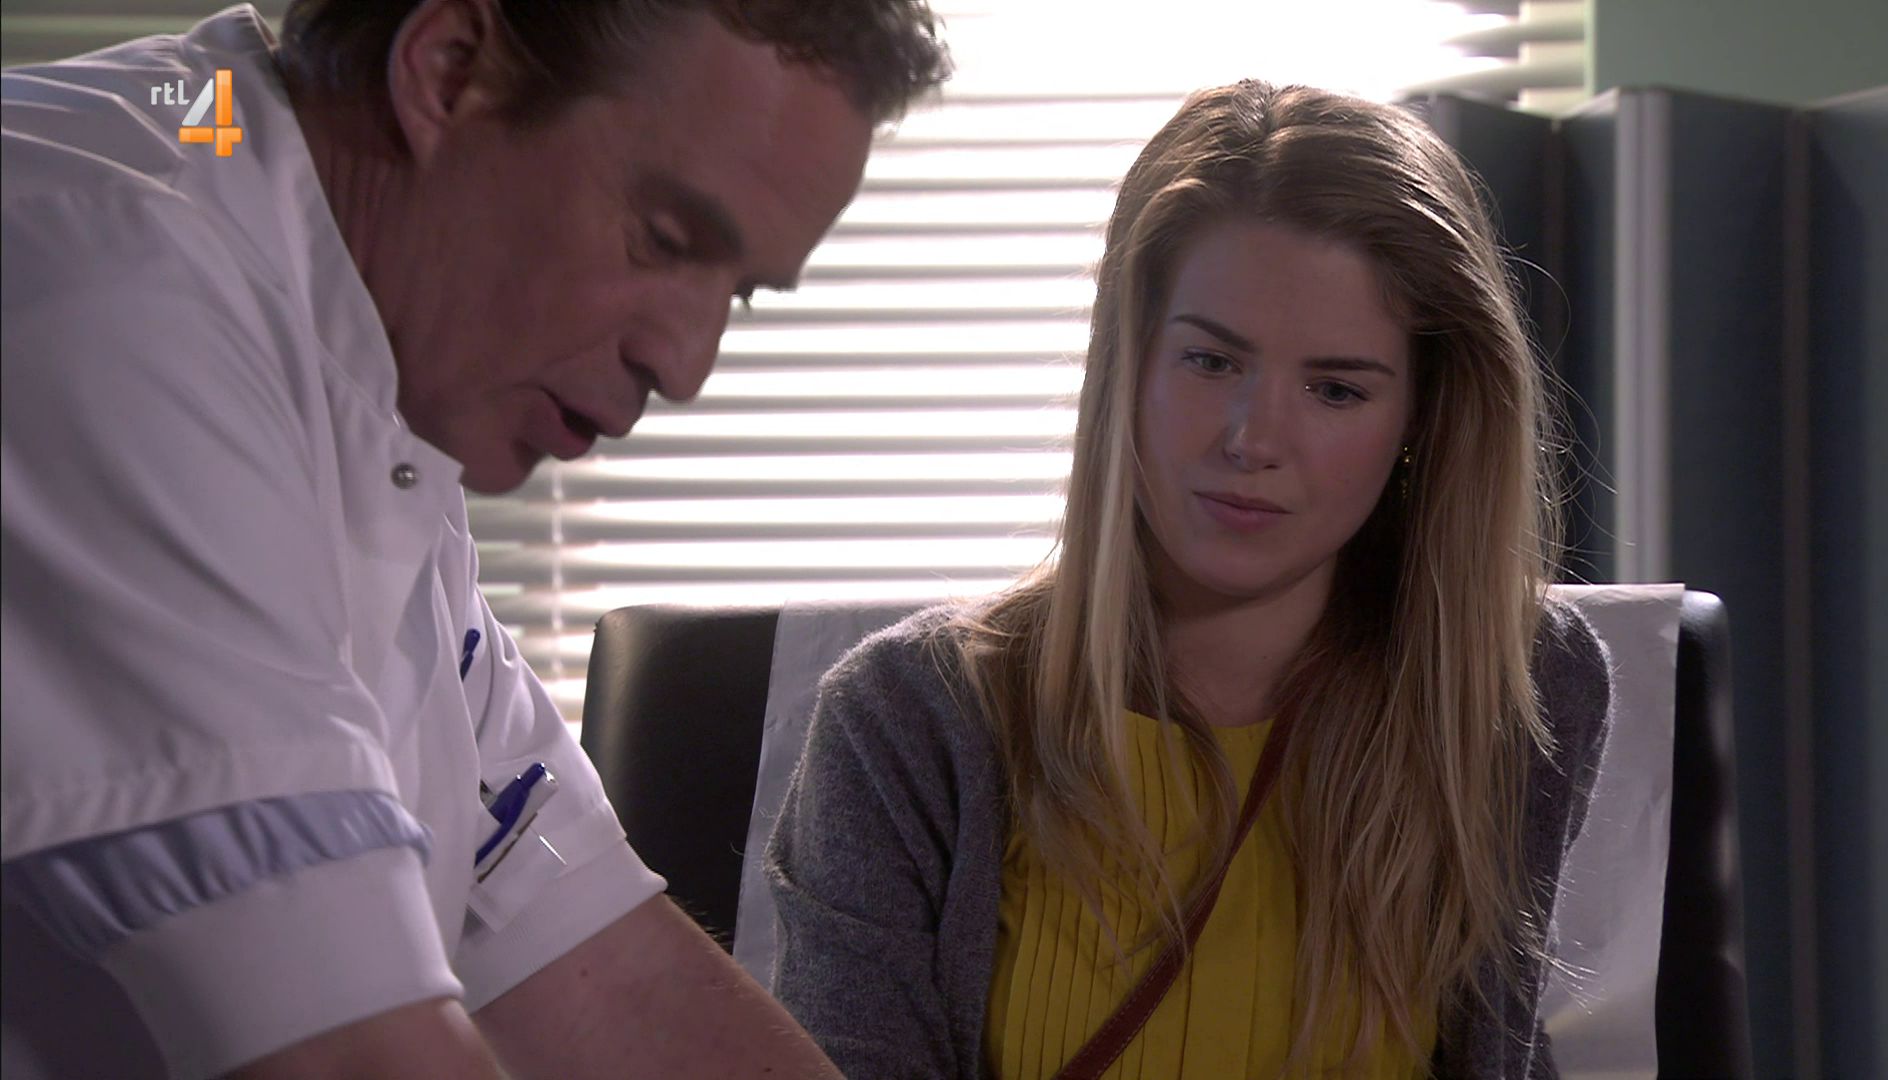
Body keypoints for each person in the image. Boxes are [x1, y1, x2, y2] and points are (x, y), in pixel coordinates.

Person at [0, 1, 946, 1077]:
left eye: (739, 294)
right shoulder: (115, 301)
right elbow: (357, 1060)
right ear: (449, 71)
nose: (686, 365)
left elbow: (599, 970)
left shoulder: (363, 368)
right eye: (666, 239)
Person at [765, 81, 1613, 1079]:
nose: (1254, 439)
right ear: (1127, 365)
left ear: (1422, 419)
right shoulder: (904, 723)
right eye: (1212, 362)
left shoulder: (1517, 688)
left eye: (1336, 388)